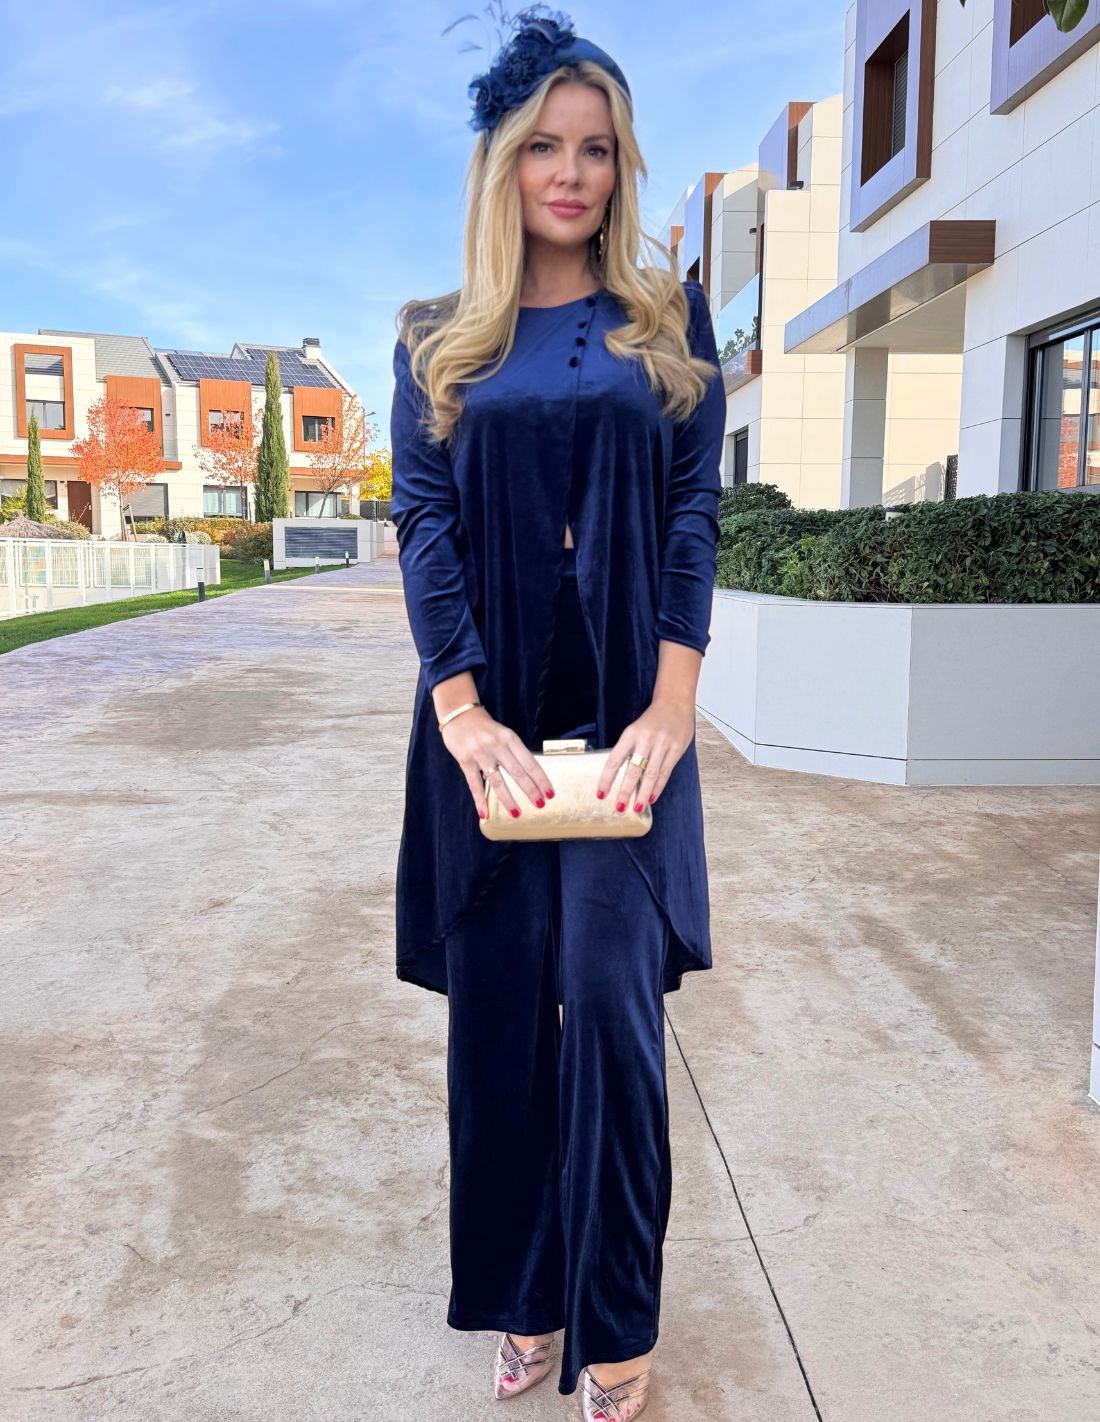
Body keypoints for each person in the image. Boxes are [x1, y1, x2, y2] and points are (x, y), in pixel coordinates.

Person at [388, 9, 725, 1419]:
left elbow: (694, 510)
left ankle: (617, 1314)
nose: (572, 174)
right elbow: (423, 523)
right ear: (503, 165)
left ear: (621, 164)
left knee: (613, 1007)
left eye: (596, 149)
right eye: (545, 147)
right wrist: (463, 713)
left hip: (632, 722)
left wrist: (675, 704)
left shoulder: (668, 320)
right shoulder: (434, 338)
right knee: (505, 1018)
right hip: (493, 724)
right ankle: (525, 1298)